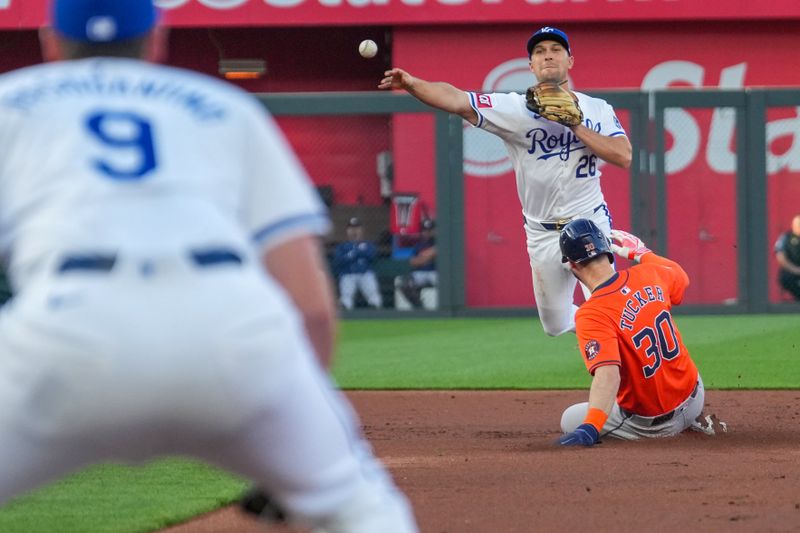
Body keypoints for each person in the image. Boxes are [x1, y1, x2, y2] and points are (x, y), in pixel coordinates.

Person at [0, 1, 418, 531]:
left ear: (49, 42)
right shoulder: (224, 106)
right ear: (156, 40)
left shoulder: (9, 102)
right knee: (361, 509)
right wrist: (290, 435)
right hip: (229, 327)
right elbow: (310, 306)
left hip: (68, 326)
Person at [379, 26, 632, 335]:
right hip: (543, 232)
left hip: (590, 222)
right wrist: (412, 83)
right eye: (539, 51)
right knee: (555, 324)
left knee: (607, 308)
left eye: (555, 49)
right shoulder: (515, 109)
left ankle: (627, 353)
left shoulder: (596, 109)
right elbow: (457, 99)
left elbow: (624, 156)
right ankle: (611, 319)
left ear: (570, 61)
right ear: (531, 66)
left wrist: (575, 125)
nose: (548, 55)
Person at [556, 220, 718, 446]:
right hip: (695, 397)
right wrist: (642, 253)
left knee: (570, 418)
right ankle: (693, 420)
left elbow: (608, 375)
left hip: (654, 425)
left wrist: (590, 428)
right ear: (609, 252)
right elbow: (681, 276)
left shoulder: (591, 314)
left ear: (572, 266)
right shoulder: (649, 273)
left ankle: (661, 429)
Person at [333, 217, 383, 310]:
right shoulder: (342, 246)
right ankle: (345, 313)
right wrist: (357, 252)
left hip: (365, 274)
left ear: (361, 230)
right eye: (351, 228)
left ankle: (375, 312)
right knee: (346, 298)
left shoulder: (368, 244)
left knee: (374, 295)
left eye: (357, 228)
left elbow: (372, 255)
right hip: (348, 274)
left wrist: (351, 254)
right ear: (347, 230)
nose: (354, 231)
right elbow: (339, 261)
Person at [397, 218, 437, 309]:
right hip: (420, 273)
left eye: (430, 230)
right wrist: (429, 255)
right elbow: (413, 262)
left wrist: (423, 257)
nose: (427, 233)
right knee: (405, 284)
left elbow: (438, 250)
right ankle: (419, 306)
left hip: (435, 272)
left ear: (434, 230)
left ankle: (445, 308)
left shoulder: (440, 243)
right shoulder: (419, 245)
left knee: (445, 283)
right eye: (425, 230)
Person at [774, 214, 800, 300]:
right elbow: (780, 255)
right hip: (792, 269)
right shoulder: (786, 237)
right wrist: (794, 269)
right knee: (785, 277)